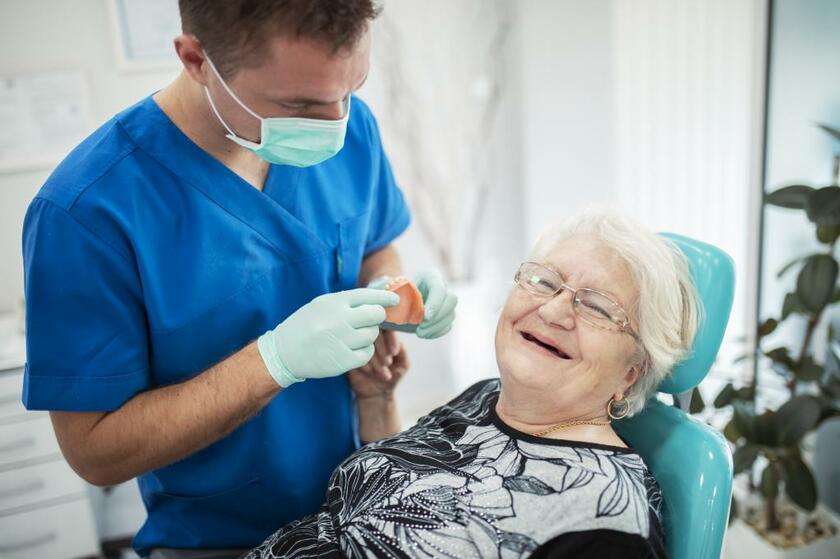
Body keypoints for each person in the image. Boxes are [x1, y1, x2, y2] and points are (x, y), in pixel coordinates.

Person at [20, 1, 457, 557]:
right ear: (196, 58)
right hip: (218, 542)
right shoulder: (87, 212)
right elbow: (93, 450)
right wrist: (274, 361)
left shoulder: (351, 123)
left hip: (359, 506)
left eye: (353, 87)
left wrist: (395, 290)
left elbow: (374, 244)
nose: (336, 122)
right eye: (298, 104)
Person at [242, 210, 701, 558]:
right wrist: (377, 399)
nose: (554, 311)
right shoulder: (486, 397)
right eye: (544, 281)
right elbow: (400, 499)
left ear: (631, 373)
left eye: (597, 308)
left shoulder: (604, 518)